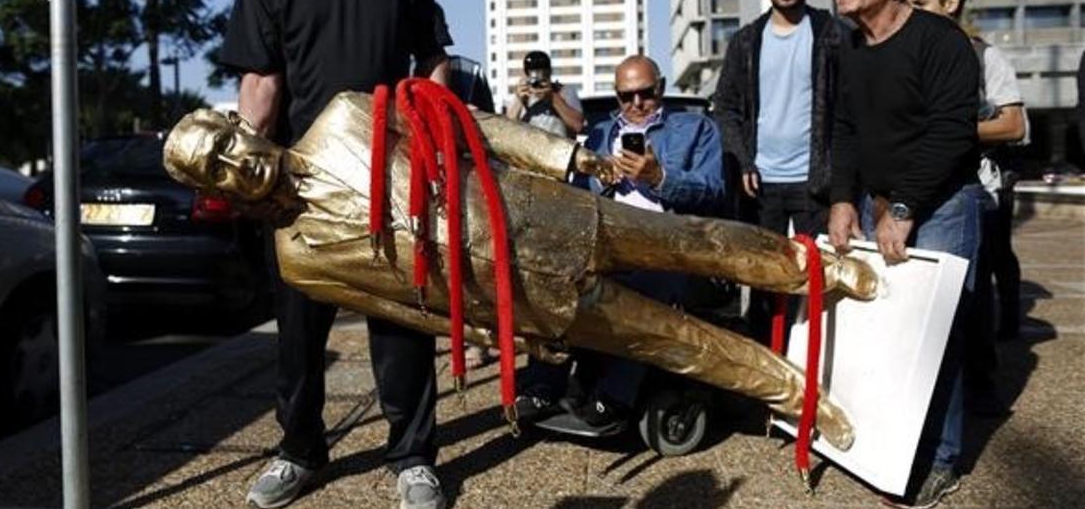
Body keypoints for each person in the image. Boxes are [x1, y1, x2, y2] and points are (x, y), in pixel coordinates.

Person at [163, 92, 882, 452]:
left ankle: (809, 265)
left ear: (242, 126)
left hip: (553, 215)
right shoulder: (298, 256)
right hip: (526, 300)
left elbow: (472, 126)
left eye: (227, 144)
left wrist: (563, 156)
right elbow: (403, 309)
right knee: (674, 340)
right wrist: (498, 336)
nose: (237, 163)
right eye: (217, 171)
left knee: (694, 240)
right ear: (220, 192)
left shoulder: (348, 115)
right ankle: (797, 395)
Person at [219, 0, 451, 507]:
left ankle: (411, 457)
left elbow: (431, 59)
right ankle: (300, 450)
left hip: (387, 176)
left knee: (401, 322)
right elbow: (261, 85)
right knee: (298, 330)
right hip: (301, 184)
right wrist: (246, 170)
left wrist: (433, 140)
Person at [827, 0, 982, 509]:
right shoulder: (850, 47)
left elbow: (951, 131)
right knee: (893, 335)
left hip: (941, 203)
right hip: (880, 200)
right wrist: (844, 198)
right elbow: (844, 129)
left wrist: (908, 207)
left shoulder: (940, 40)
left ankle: (940, 460)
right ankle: (896, 449)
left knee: (938, 337)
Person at [517, 55, 726, 432]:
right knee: (551, 281)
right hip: (606, 240)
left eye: (645, 94)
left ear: (660, 88)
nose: (636, 105)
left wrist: (659, 176)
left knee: (642, 294)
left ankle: (614, 397)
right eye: (626, 97)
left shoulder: (695, 128)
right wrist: (603, 179)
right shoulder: (599, 132)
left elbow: (713, 192)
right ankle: (540, 387)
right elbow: (577, 195)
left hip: (667, 243)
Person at [904, 0, 1028, 416]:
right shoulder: (908, 54)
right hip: (919, 186)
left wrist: (949, 131)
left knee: (973, 294)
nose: (909, 13)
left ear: (950, 4)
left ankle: (981, 384)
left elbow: (1013, 124)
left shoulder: (984, 57)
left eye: (920, 4)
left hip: (977, 189)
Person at [712, 0, 845, 345]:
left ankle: (812, 367)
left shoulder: (831, 34)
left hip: (814, 180)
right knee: (764, 281)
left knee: (818, 277)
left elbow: (845, 109)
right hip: (761, 183)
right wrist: (744, 160)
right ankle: (766, 372)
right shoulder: (747, 41)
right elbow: (726, 108)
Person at [505, 50, 585, 138]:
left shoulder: (564, 92)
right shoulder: (523, 94)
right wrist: (519, 101)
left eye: (542, 72)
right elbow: (507, 131)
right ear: (526, 74)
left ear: (549, 72)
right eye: (532, 72)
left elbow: (578, 126)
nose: (537, 77)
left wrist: (553, 98)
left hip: (559, 148)